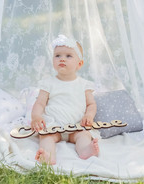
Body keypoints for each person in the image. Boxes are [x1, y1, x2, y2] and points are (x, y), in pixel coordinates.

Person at [31, 34, 100, 165]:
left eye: (68, 56)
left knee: (84, 135)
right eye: (57, 56)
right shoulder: (48, 83)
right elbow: (40, 103)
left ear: (79, 64)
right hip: (53, 126)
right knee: (45, 137)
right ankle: (48, 156)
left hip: (76, 126)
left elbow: (91, 104)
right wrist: (35, 117)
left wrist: (89, 116)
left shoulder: (84, 85)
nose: (62, 59)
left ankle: (86, 151)